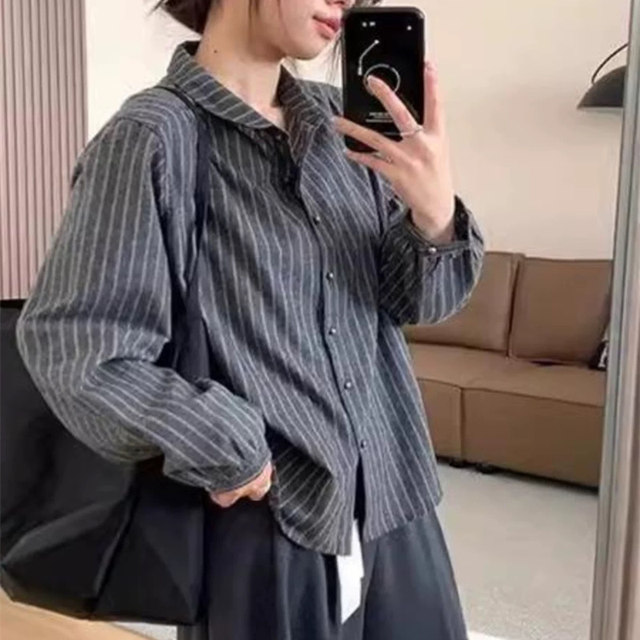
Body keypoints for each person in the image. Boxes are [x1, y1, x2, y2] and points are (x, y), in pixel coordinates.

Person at [15, 0, 485, 638]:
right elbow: (78, 346)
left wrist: (434, 216)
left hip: (396, 504)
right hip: (273, 521)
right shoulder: (153, 137)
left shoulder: (340, 126)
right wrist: (224, 443)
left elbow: (417, 304)